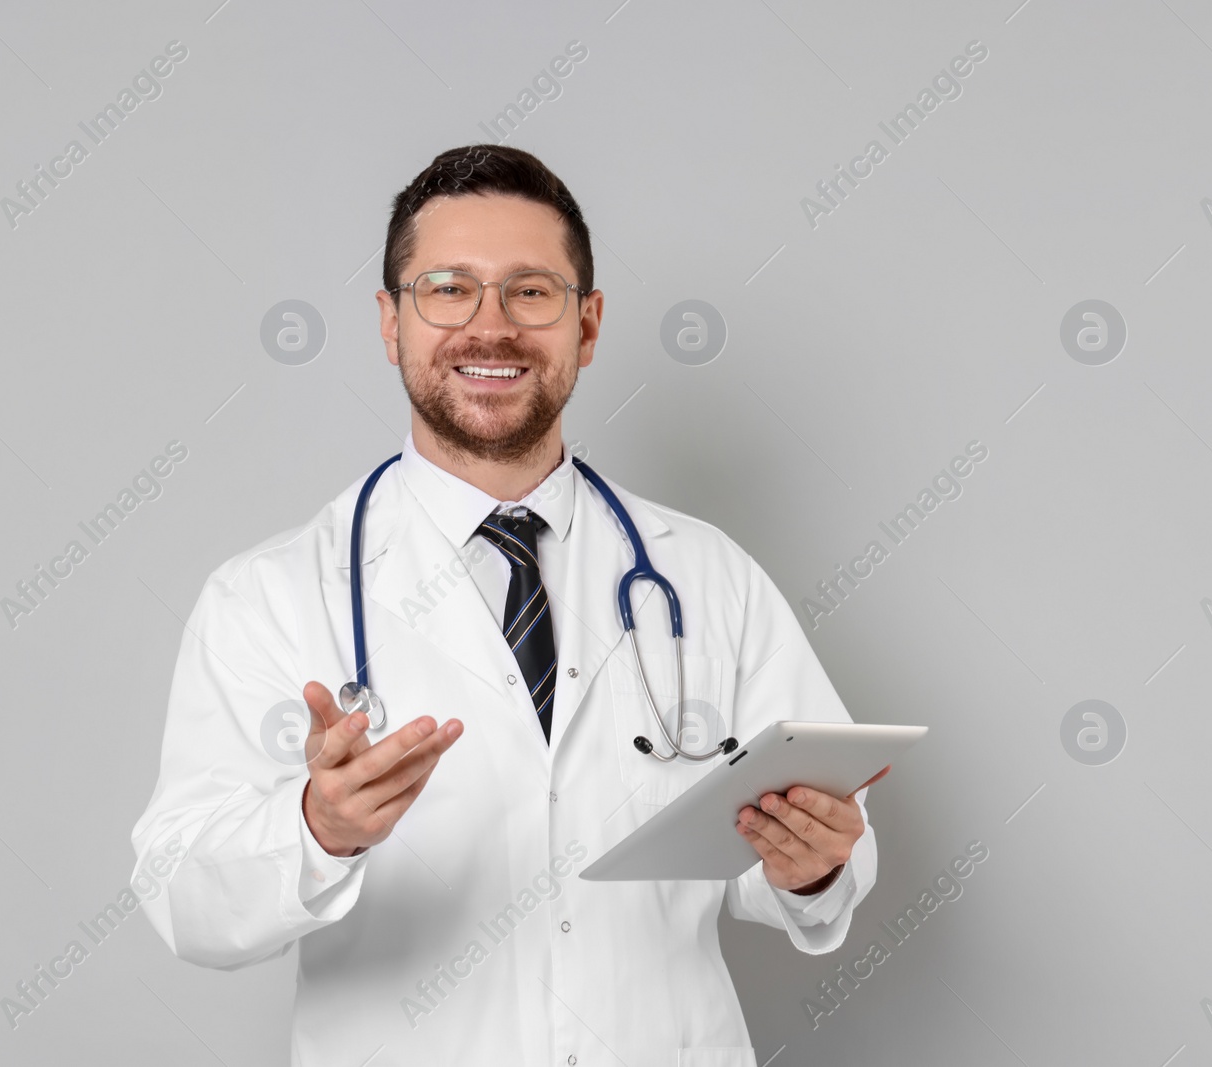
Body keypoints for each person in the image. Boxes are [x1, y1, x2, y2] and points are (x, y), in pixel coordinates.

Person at [131, 144, 883, 1066]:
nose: (491, 328)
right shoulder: (269, 597)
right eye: (448, 289)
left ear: (589, 324)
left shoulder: (707, 577)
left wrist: (818, 865)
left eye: (532, 292)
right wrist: (315, 831)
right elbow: (180, 897)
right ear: (390, 320)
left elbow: (808, 852)